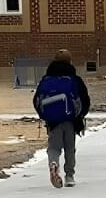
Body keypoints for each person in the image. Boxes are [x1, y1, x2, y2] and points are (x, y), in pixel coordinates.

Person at [33, 50, 91, 188]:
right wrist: (81, 115)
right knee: (70, 148)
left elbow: (36, 100)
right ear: (70, 62)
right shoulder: (74, 80)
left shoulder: (46, 79)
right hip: (71, 119)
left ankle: (53, 163)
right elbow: (85, 99)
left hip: (53, 121)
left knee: (54, 147)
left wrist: (45, 115)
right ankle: (69, 175)